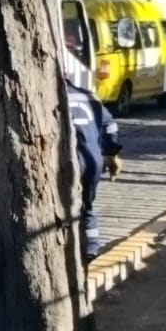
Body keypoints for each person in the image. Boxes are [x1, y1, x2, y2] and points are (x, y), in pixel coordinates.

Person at [66, 62, 122, 262]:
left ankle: (68, 252)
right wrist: (110, 153)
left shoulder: (46, 97)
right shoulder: (89, 96)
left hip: (67, 161)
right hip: (93, 160)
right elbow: (110, 125)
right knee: (86, 206)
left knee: (62, 208)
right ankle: (91, 250)